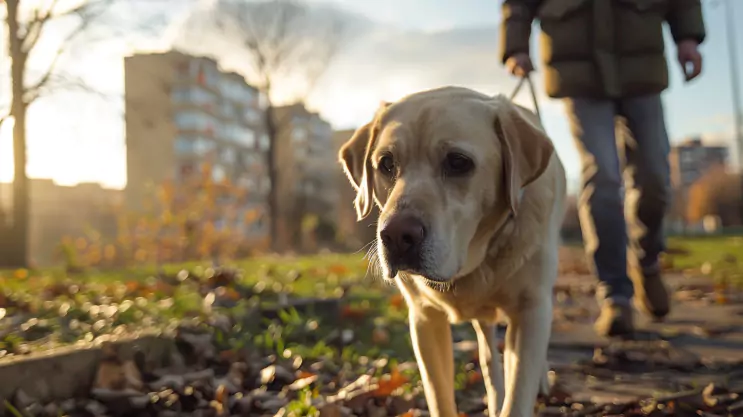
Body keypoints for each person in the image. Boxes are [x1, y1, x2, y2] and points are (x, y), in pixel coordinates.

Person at [499, 0, 705, 337]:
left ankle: (647, 260)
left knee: (655, 176)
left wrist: (688, 38)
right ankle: (615, 295)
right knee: (603, 175)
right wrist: (515, 46)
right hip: (577, 68)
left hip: (641, 62)